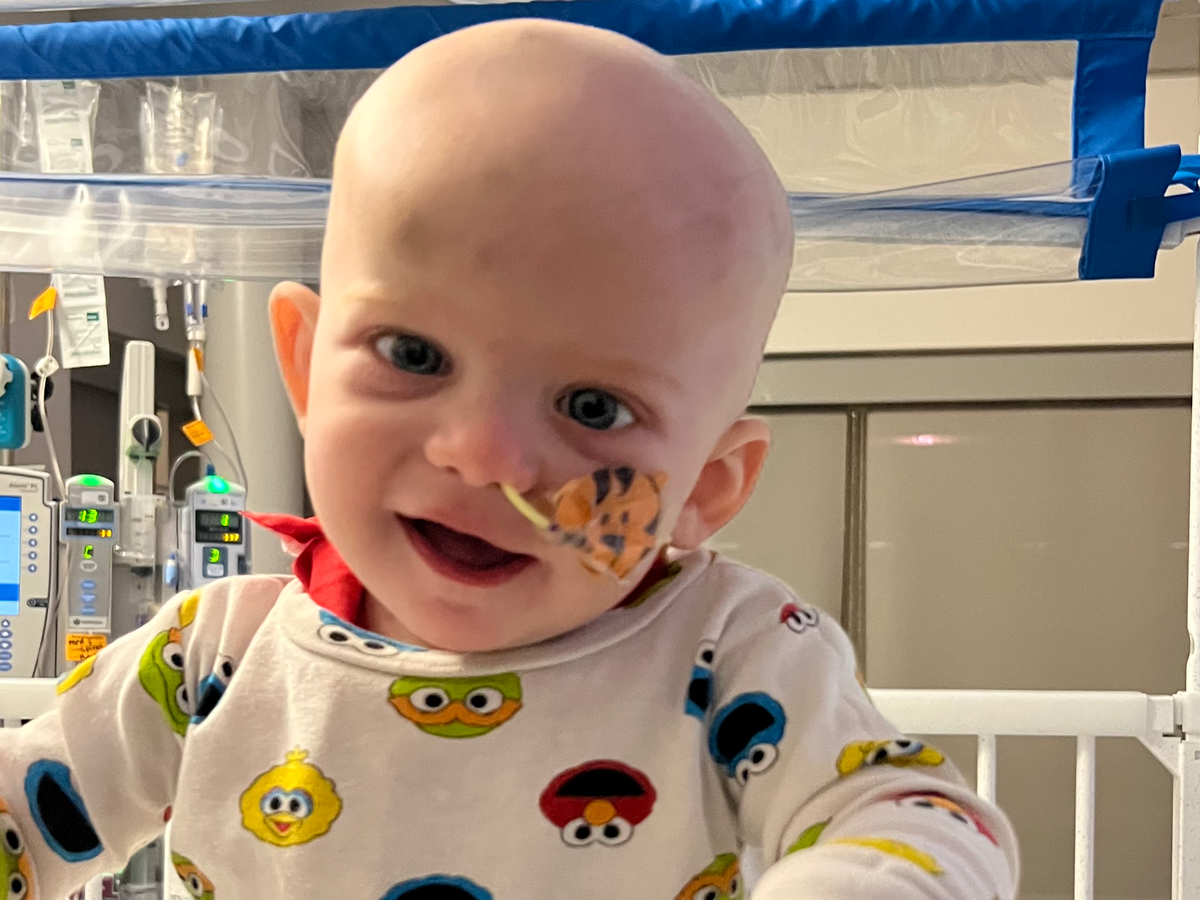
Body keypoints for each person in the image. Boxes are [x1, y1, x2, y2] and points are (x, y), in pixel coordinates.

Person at [0, 19, 1017, 900]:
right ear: (305, 369)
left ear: (705, 488)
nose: (483, 455)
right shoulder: (210, 660)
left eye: (593, 407)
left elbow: (919, 817)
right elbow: (24, 814)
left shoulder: (729, 654)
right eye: (413, 355)